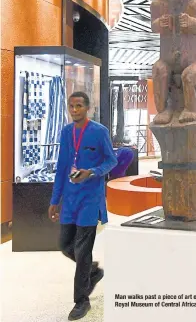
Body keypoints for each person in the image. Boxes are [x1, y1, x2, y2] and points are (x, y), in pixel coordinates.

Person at [48, 91, 117, 321]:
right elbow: (61, 167)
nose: (74, 110)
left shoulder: (99, 132)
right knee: (65, 245)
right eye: (71, 106)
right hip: (69, 198)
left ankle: (81, 301)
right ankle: (93, 272)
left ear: (87, 108)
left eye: (79, 106)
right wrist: (54, 200)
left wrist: (92, 172)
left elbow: (111, 160)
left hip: (90, 198)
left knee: (82, 249)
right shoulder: (66, 132)